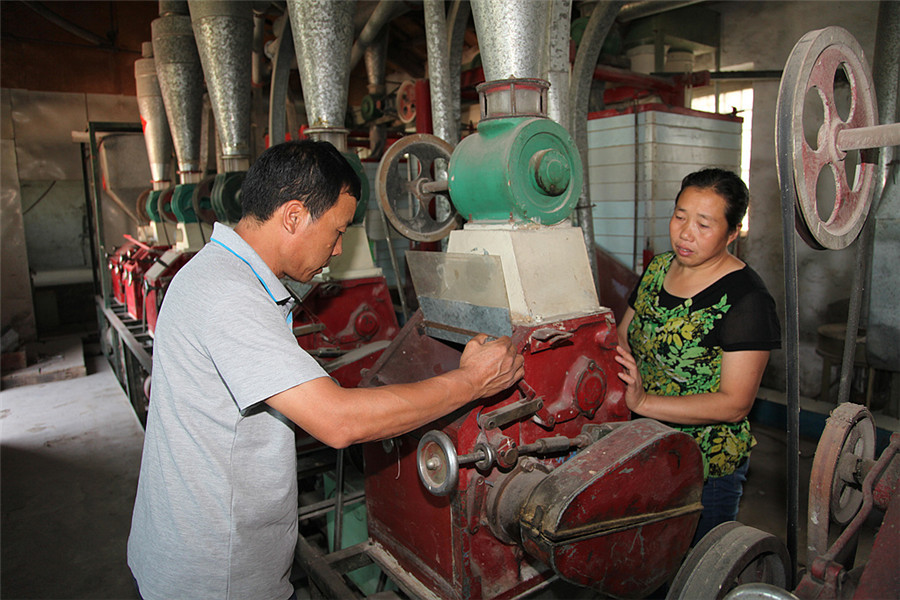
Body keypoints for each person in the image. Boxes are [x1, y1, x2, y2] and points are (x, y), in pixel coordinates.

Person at [127, 140, 524, 600]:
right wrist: (472, 381)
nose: (338, 250)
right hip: (215, 576)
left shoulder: (213, 273)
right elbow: (338, 421)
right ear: (293, 216)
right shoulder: (228, 295)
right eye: (337, 232)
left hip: (199, 553)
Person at [614, 168, 780, 545]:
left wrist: (643, 401)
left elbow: (734, 404)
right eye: (679, 216)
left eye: (704, 225)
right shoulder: (657, 268)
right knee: (642, 559)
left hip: (704, 464)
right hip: (643, 445)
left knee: (695, 566)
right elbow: (625, 336)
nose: (685, 233)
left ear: (732, 233)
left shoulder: (747, 300)